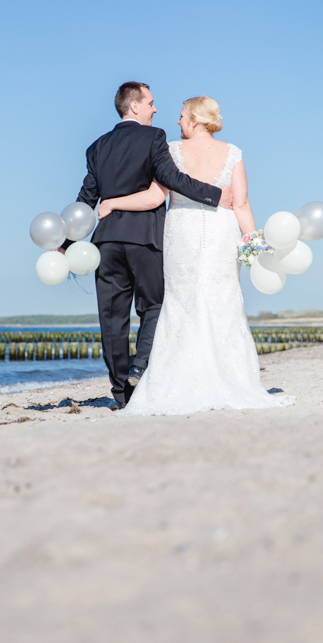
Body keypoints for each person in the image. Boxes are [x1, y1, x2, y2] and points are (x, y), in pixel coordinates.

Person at [97, 95, 296, 415]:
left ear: (194, 119)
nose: (176, 121)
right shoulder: (232, 153)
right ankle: (229, 378)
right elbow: (241, 205)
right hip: (222, 233)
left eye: (180, 116)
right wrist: (255, 251)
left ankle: (176, 380)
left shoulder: (172, 151)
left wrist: (112, 203)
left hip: (182, 234)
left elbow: (152, 197)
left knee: (180, 301)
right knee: (223, 298)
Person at [65, 82, 234, 410]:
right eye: (151, 103)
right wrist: (214, 195)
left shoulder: (96, 147)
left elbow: (85, 201)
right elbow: (172, 179)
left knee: (112, 319)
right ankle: (140, 368)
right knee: (154, 306)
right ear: (135, 107)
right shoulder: (154, 138)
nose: (156, 110)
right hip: (145, 238)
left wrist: (66, 242)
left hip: (106, 242)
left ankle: (120, 394)